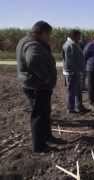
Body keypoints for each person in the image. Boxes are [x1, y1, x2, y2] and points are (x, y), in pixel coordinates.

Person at [16, 21, 60, 153]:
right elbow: (33, 60)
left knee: (45, 113)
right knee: (39, 116)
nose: (49, 37)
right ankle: (39, 146)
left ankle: (48, 137)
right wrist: (46, 77)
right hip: (37, 86)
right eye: (48, 34)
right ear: (42, 33)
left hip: (38, 85)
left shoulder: (26, 40)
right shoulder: (32, 44)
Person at [62, 30, 87, 113]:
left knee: (78, 90)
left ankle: (79, 106)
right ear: (74, 36)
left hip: (75, 72)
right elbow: (70, 61)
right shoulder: (70, 45)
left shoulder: (72, 44)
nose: (80, 38)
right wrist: (77, 70)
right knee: (72, 91)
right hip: (72, 72)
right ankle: (71, 108)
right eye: (79, 36)